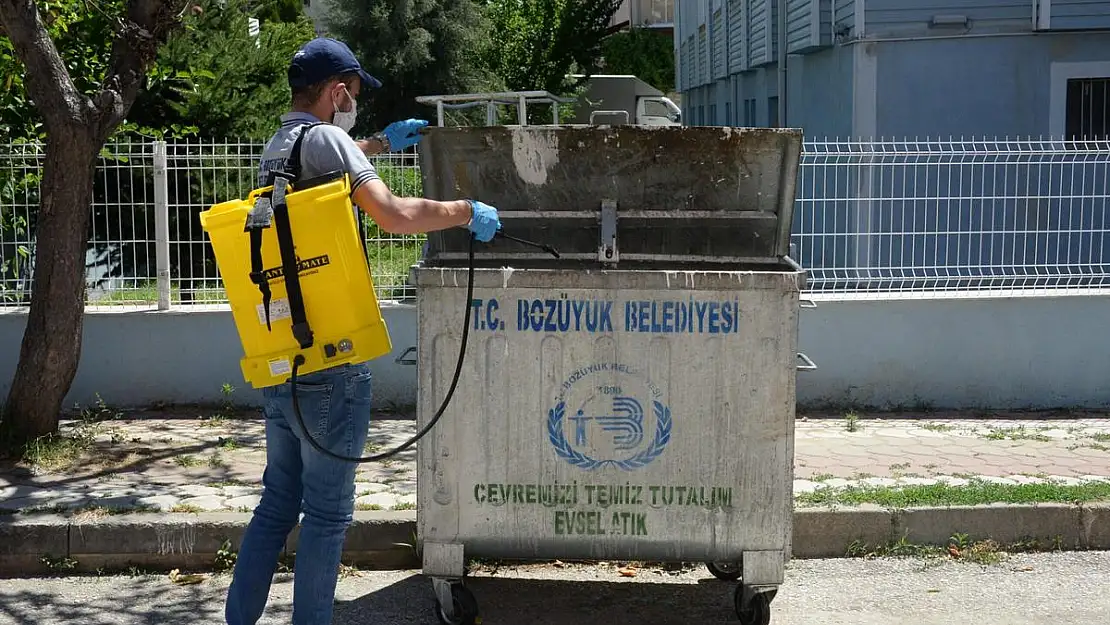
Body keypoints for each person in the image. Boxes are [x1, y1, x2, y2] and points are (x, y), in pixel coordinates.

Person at [224, 37, 501, 625]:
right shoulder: (328, 140)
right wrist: (463, 210)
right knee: (326, 516)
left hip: (286, 357)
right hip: (334, 361)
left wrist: (374, 145)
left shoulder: (278, 146)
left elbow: (322, 168)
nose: (352, 105)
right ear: (337, 92)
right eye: (351, 95)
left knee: (277, 503)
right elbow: (394, 215)